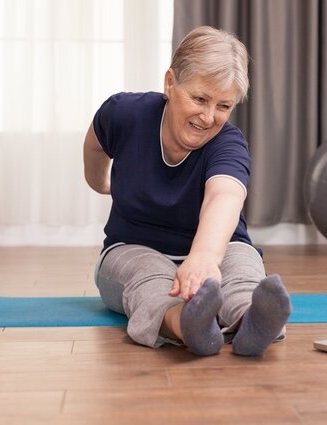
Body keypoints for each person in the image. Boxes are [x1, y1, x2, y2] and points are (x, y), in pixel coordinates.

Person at [83, 26, 291, 357]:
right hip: (133, 247)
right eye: (199, 99)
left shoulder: (228, 143)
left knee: (242, 270)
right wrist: (99, 183)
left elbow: (225, 195)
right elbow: (95, 146)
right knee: (150, 279)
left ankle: (252, 321)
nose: (209, 117)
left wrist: (205, 257)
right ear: (170, 83)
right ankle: (187, 324)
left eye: (224, 106)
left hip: (216, 249)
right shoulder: (125, 114)